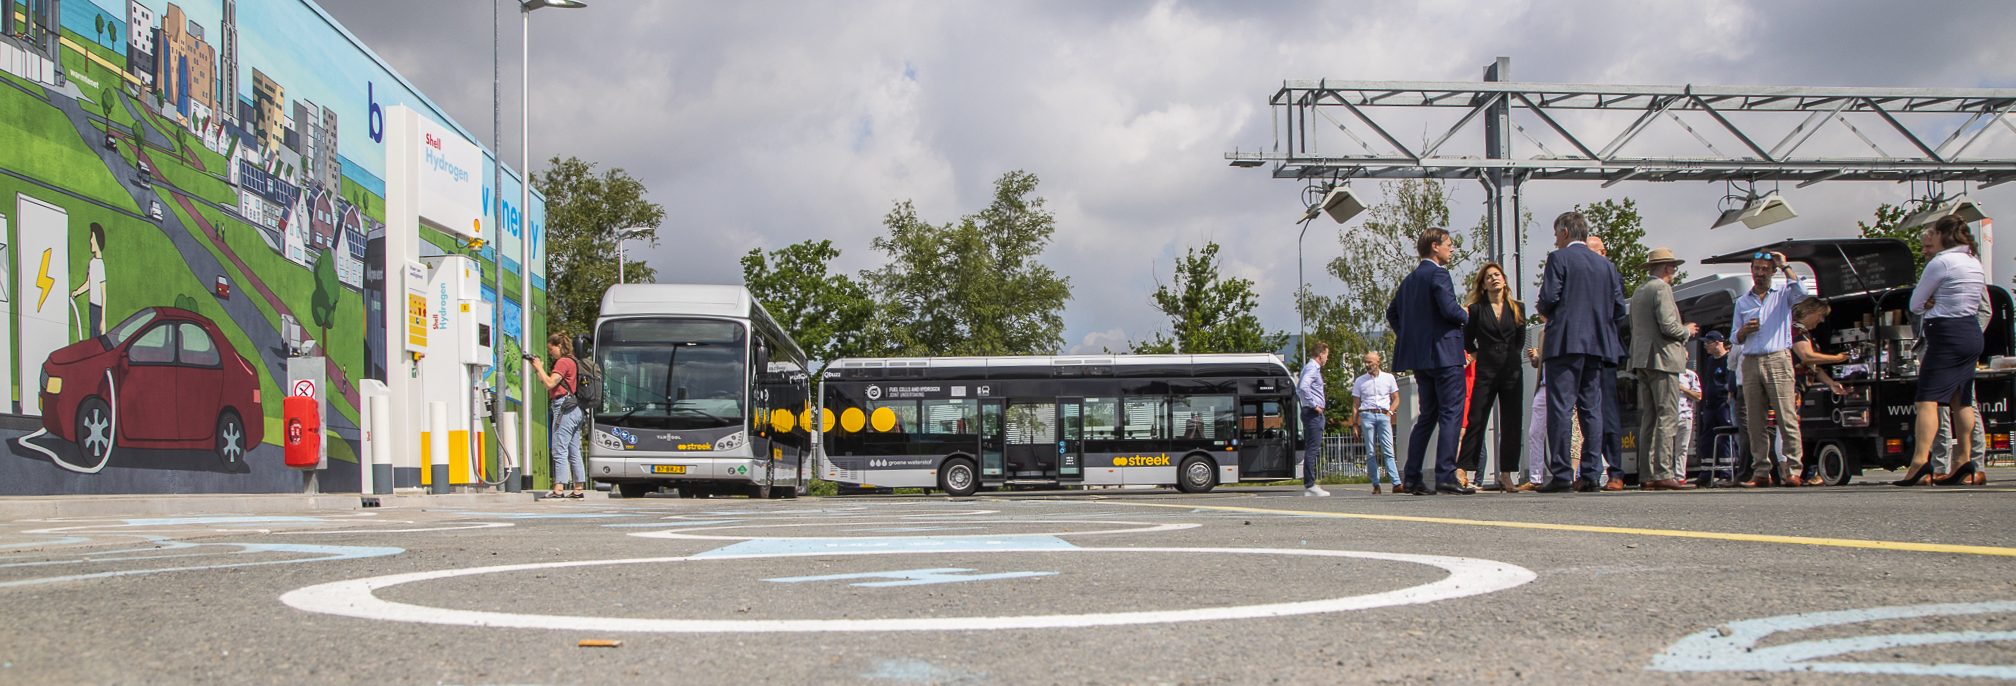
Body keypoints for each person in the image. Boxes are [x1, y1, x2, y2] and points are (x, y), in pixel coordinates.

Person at [1536, 212, 1626, 493]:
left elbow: (1548, 298)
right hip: (1598, 344)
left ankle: (1562, 473)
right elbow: (1619, 308)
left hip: (1565, 341)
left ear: (1564, 232)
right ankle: (1591, 472)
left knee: (1561, 407)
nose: (1555, 240)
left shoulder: (1558, 258)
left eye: (1556, 234)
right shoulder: (1606, 266)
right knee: (1592, 408)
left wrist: (1547, 312)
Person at [1896, 215, 1988, 487]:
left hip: (1946, 332)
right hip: (1970, 331)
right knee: (1962, 400)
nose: (1931, 239)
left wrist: (1930, 302)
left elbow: (1915, 304)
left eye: (1934, 233)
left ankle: (1919, 463)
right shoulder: (1973, 262)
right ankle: (1964, 461)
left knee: (1927, 400)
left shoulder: (1941, 262)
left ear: (1943, 236)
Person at [1385, 227, 1472, 495]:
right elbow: (1449, 309)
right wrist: (1466, 314)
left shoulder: (1409, 281)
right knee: (1451, 413)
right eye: (1448, 244)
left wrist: (1411, 336)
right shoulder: (1439, 274)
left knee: (1427, 416)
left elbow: (1392, 313)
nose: (1451, 249)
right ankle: (1446, 474)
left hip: (1422, 359)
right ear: (1435, 246)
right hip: (1446, 354)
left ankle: (1412, 476)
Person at [1733, 249, 1810, 488]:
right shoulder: (1743, 301)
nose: (1760, 273)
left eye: (1765, 269)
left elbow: (1802, 293)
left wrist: (1785, 265)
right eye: (1756, 269)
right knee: (1755, 421)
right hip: (1751, 360)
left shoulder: (1783, 294)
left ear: (1773, 272)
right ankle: (1761, 471)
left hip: (1777, 357)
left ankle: (1793, 469)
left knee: (1786, 416)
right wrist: (1744, 331)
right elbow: (1734, 337)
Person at [1629, 247, 1698, 490]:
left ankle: (1647, 474)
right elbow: (1668, 326)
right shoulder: (1662, 289)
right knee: (1667, 415)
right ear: (1668, 268)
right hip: (1663, 359)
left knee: (1649, 417)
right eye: (1673, 268)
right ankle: (1663, 472)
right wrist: (1686, 331)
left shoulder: (1639, 291)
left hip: (1642, 358)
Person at [1458, 262, 1527, 493]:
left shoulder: (1517, 307)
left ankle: (1506, 474)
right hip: (1486, 371)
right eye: (1489, 277)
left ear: (1504, 280)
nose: (1494, 279)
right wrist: (1481, 356)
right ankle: (1463, 470)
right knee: (1476, 419)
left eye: (1497, 275)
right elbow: (1467, 340)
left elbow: (1519, 340)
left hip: (1511, 371)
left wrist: (1510, 359)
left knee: (1512, 422)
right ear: (1483, 284)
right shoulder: (1477, 309)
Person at [1789, 298, 1850, 485]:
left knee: (1795, 427)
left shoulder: (1807, 334)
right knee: (1790, 427)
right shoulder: (1796, 330)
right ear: (1810, 311)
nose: (1821, 320)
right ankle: (1788, 471)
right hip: (1791, 385)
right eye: (1820, 316)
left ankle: (1798, 470)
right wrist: (1837, 358)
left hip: (1801, 386)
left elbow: (1814, 367)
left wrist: (1831, 383)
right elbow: (1807, 357)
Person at [1587, 236, 1628, 490]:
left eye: (1592, 252)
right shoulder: (1579, 277)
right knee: (1587, 413)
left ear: (1602, 253)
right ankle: (1590, 471)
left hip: (1604, 351)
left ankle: (1615, 471)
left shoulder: (1611, 276)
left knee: (1608, 414)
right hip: (1583, 351)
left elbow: (1618, 310)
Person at [531, 332, 586, 499]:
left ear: (559, 346)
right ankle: (578, 489)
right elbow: (549, 382)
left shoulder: (562, 362)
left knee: (559, 448)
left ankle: (559, 489)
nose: (550, 353)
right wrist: (538, 369)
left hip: (564, 408)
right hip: (575, 408)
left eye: (551, 349)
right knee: (574, 450)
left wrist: (539, 367)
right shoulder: (573, 361)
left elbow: (549, 383)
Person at [1350, 351, 1401, 494]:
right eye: (1365, 362)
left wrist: (1390, 412)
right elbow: (1355, 404)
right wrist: (1355, 424)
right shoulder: (1360, 381)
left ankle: (1396, 483)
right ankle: (1376, 484)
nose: (1367, 365)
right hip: (1367, 414)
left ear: (1378, 362)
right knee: (1371, 451)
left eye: (1370, 362)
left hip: (1383, 414)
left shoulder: (1388, 378)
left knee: (1388, 449)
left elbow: (1396, 398)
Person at [1696, 331, 1734, 484]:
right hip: (1709, 405)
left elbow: (1729, 380)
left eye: (1708, 343)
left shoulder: (1728, 359)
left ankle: (1727, 472)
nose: (1705, 346)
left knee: (1725, 437)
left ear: (1718, 343)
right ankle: (1706, 472)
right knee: (1706, 438)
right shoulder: (1710, 361)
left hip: (1723, 404)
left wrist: (1728, 395)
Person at [1296, 341, 1332, 496]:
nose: (1327, 358)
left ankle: (1310, 485)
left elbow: (1299, 389)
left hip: (1310, 412)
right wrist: (1314, 405)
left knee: (1312, 448)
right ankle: (1310, 485)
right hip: (1313, 413)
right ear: (1321, 354)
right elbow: (1303, 387)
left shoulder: (1308, 367)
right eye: (1326, 355)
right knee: (1313, 448)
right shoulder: (1312, 368)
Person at [70, 223, 108, 337]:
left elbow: (103, 292)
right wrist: (77, 292)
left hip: (98, 308)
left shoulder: (100, 265)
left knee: (97, 338)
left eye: (92, 237)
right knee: (92, 335)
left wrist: (103, 319)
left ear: (98, 240)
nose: (90, 241)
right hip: (92, 306)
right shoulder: (92, 263)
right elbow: (89, 283)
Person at [1678, 363, 1701, 482]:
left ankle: (1680, 476)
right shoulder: (1667, 375)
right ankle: (1666, 475)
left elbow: (1698, 396)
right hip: (1668, 416)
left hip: (1685, 415)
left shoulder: (1690, 375)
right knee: (1667, 448)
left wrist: (1683, 389)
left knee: (1682, 448)